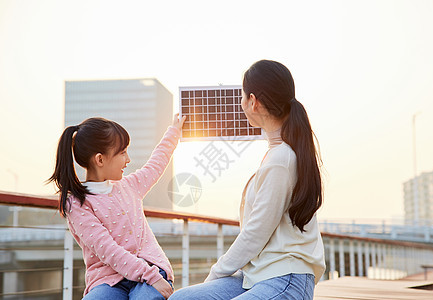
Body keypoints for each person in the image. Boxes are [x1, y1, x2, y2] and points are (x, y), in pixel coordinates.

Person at [169, 60, 325, 300]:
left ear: (253, 102)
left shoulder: (280, 159)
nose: (240, 104)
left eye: (242, 97)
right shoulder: (278, 153)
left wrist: (215, 273)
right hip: (258, 275)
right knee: (182, 299)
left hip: (286, 278)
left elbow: (255, 234)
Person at [49, 114, 186, 299]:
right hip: (108, 280)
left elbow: (156, 164)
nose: (128, 160)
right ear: (100, 159)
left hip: (150, 268)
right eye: (122, 153)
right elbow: (108, 250)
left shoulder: (130, 186)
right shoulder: (77, 204)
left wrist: (174, 132)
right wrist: (150, 276)